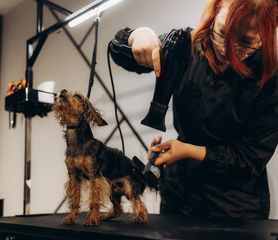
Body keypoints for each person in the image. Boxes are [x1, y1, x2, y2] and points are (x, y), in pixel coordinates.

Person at [110, 0, 278, 219]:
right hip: (179, 196)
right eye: (222, 33)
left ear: (265, 35)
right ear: (216, 10)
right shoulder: (184, 46)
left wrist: (188, 150)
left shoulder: (270, 78)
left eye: (245, 42)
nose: (228, 50)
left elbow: (250, 159)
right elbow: (118, 49)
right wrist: (139, 35)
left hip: (235, 207)